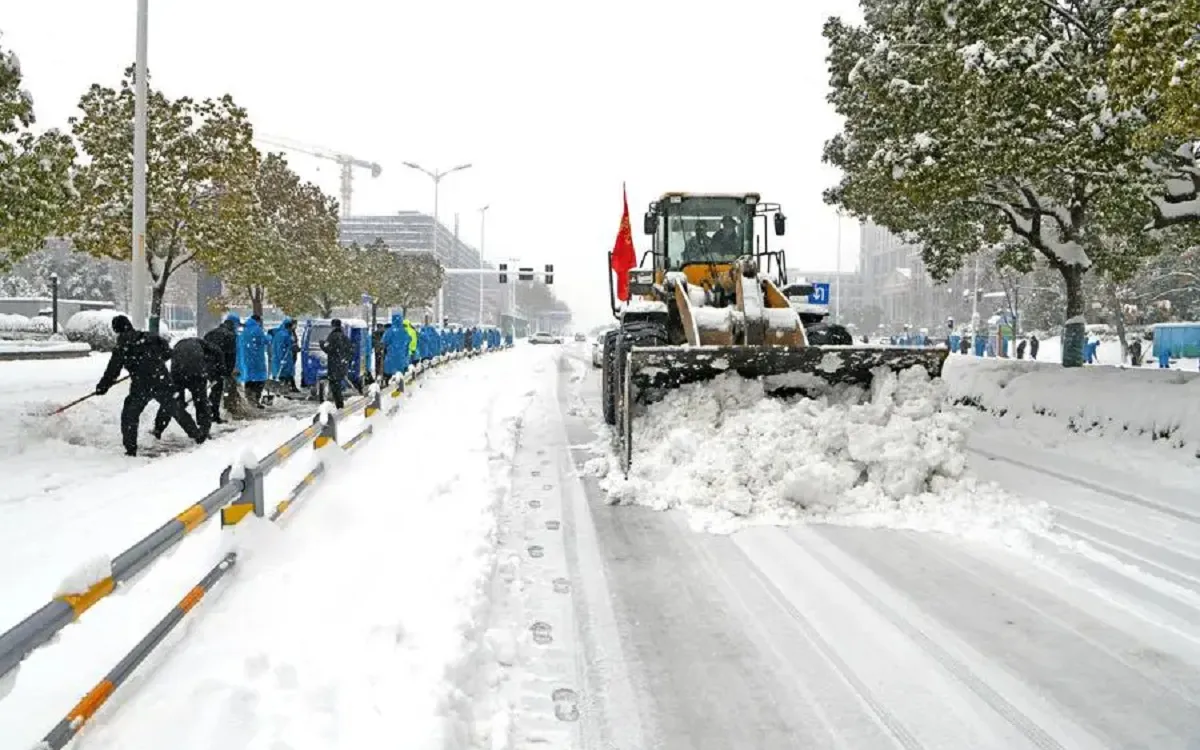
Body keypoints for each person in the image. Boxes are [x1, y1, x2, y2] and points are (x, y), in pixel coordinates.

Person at [95, 315, 205, 456]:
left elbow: (112, 371)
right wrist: (153, 362)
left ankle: (130, 448)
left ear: (116, 329)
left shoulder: (122, 345)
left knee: (130, 415)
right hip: (161, 380)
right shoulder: (151, 337)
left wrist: (103, 386)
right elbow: (167, 353)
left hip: (140, 385)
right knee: (176, 409)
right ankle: (196, 434)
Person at [152, 336, 219, 440]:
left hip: (178, 374)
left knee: (172, 402)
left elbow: (167, 357)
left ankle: (158, 428)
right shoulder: (202, 344)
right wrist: (220, 371)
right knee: (201, 401)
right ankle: (204, 430)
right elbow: (218, 352)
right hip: (197, 374)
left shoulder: (178, 346)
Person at [203, 314, 239, 423]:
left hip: (207, 366)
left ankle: (208, 412)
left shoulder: (210, 333)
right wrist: (228, 372)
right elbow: (231, 356)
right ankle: (213, 415)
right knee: (217, 391)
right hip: (219, 366)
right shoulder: (230, 336)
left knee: (210, 389)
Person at [320, 318, 354, 408]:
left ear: (333, 326)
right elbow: (351, 350)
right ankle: (340, 405)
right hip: (342, 365)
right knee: (338, 385)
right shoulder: (344, 337)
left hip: (334, 365)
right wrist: (345, 360)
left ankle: (339, 406)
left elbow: (329, 349)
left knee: (335, 387)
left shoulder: (332, 336)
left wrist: (322, 345)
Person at [238, 314, 271, 407]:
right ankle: (256, 400)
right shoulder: (257, 330)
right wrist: (269, 337)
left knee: (249, 380)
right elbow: (265, 340)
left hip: (246, 360)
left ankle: (249, 399)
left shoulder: (245, 330)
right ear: (258, 321)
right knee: (259, 380)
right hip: (257, 360)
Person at [381, 312, 412, 383]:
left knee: (389, 377)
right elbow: (408, 340)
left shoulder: (389, 331)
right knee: (401, 377)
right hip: (402, 359)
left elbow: (384, 342)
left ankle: (388, 385)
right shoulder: (404, 331)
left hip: (391, 358)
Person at [270, 317, 299, 393]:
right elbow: (283, 348)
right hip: (283, 359)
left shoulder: (280, 333)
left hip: (279, 358)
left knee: (282, 375)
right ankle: (283, 391)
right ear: (289, 327)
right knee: (284, 376)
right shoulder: (285, 335)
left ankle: (283, 390)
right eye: (293, 325)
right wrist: (282, 359)